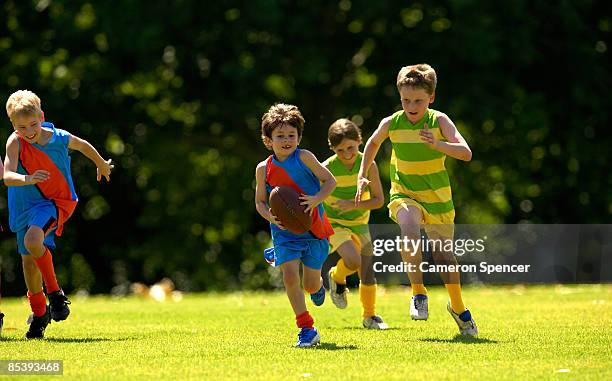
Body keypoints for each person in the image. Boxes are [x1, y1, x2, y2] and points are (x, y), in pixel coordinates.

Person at [356, 64, 478, 336]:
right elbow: (373, 144)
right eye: (406, 100)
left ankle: (458, 308)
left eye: (418, 100)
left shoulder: (439, 121)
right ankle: (418, 292)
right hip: (405, 193)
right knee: (409, 230)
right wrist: (362, 175)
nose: (411, 105)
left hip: (438, 199)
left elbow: (466, 152)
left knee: (444, 256)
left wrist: (438, 145)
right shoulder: (392, 123)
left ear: (431, 98)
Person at [4, 90, 113, 339]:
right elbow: (8, 176)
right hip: (23, 207)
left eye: (33, 124)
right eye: (21, 127)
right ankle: (40, 314)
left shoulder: (58, 138)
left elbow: (83, 145)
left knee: (33, 241)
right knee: (29, 264)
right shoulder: (15, 141)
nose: (29, 131)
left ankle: (55, 293)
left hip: (53, 202)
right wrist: (28, 179)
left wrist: (101, 164)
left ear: (41, 116)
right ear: (12, 124)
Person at [254, 103, 336, 347]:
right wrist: (271, 217)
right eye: (280, 136)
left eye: (291, 135)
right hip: (284, 233)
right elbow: (259, 202)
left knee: (309, 284)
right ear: (268, 140)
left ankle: (318, 286)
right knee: (290, 277)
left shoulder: (305, 158)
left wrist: (316, 199)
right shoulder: (263, 169)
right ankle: (306, 328)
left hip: (314, 230)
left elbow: (330, 181)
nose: (286, 140)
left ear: (299, 137)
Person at [322, 118, 388, 330]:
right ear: (333, 149)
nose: (347, 154)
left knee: (367, 272)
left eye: (350, 147)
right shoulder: (326, 169)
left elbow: (379, 201)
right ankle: (336, 276)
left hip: (360, 223)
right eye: (340, 150)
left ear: (359, 141)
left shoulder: (368, 164)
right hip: (334, 223)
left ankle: (370, 317)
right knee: (353, 260)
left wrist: (353, 204)